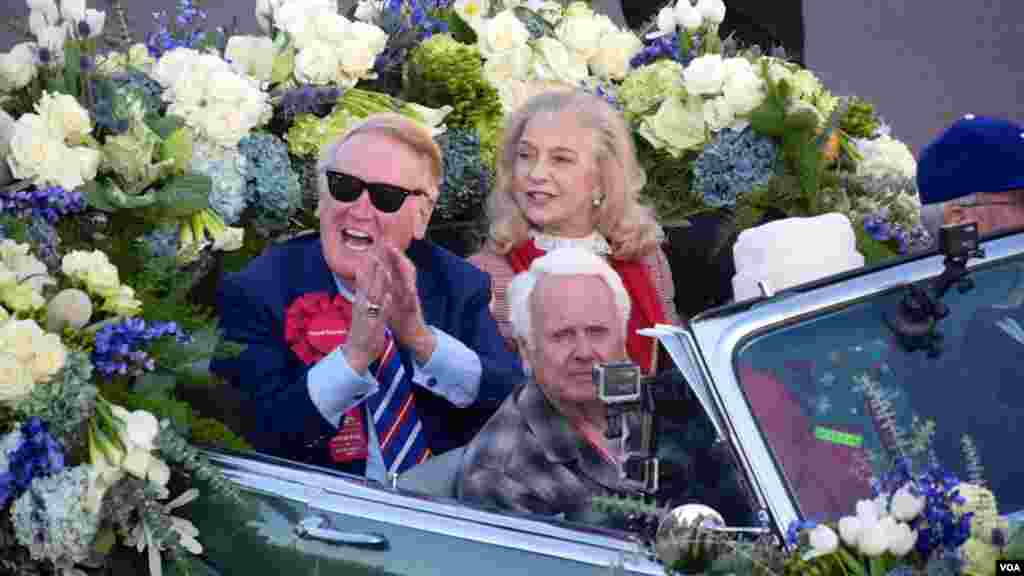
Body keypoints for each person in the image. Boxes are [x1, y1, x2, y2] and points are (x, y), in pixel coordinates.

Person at [211, 113, 523, 481]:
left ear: (422, 216)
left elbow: (512, 409)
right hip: (319, 511)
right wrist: (353, 358)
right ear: (322, 198)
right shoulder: (259, 289)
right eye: (344, 187)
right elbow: (251, 437)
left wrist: (423, 342)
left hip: (441, 510)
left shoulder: (457, 283)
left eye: (385, 197)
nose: (359, 210)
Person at [458, 247, 752, 524]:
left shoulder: (668, 401)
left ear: (622, 340)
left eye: (598, 332)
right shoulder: (501, 475)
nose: (584, 352)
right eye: (561, 336)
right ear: (525, 347)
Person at [469, 90, 680, 375]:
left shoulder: (647, 259)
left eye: (561, 159)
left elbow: (680, 373)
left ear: (602, 178)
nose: (536, 173)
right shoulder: (485, 274)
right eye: (525, 155)